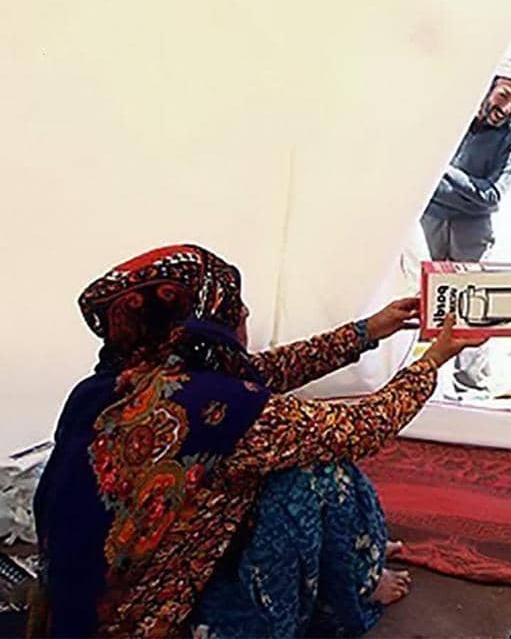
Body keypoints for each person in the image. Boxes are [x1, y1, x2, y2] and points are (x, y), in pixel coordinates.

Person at [30, 244, 482, 638]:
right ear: (203, 322)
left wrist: (368, 331)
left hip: (74, 613)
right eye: (235, 309)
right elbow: (363, 426)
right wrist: (433, 360)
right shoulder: (215, 408)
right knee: (318, 474)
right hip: (147, 622)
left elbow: (264, 371)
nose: (243, 317)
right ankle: (353, 580)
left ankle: (354, 554)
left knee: (263, 469)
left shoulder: (110, 385)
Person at [420, 51, 511, 390]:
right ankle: (414, 374)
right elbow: (420, 174)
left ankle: (470, 382)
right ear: (488, 87)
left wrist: (443, 173)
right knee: (419, 294)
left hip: (473, 231)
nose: (508, 107)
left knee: (472, 305)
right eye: (504, 95)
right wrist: (465, 188)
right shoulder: (452, 118)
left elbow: (492, 196)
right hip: (430, 220)